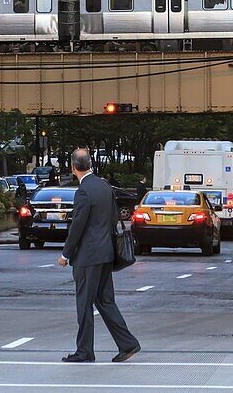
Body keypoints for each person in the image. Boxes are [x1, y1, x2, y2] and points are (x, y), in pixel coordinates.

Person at [58, 147, 141, 364]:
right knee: (105, 301)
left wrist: (66, 253)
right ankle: (127, 343)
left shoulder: (83, 191)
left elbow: (78, 225)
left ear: (73, 166)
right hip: (106, 253)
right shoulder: (104, 186)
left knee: (84, 303)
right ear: (90, 164)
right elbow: (113, 218)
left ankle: (85, 351)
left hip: (88, 255)